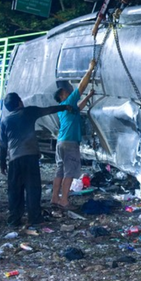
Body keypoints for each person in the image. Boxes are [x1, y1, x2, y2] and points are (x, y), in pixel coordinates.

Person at [0, 93, 74, 227]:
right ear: (20, 101)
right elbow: (48, 110)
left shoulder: (5, 121)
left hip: (14, 160)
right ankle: (34, 218)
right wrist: (65, 107)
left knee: (15, 191)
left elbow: (3, 145)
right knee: (33, 189)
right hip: (30, 157)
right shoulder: (29, 112)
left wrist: (2, 163)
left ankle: (14, 219)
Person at [50, 60, 96, 210]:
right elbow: (81, 87)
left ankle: (55, 198)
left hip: (61, 142)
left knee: (60, 171)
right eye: (66, 91)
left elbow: (79, 107)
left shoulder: (65, 108)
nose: (69, 92)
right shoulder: (68, 101)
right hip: (70, 143)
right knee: (69, 172)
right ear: (63, 95)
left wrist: (88, 97)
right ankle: (64, 200)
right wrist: (89, 70)